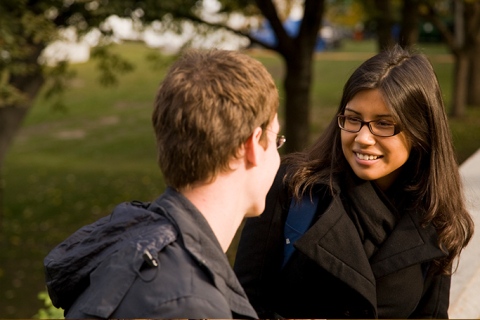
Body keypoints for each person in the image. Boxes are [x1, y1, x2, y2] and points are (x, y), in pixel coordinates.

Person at [234, 45, 474, 319]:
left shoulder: (434, 215)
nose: (362, 137)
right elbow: (243, 305)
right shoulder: (294, 189)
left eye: (384, 124)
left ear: (421, 131)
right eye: (353, 119)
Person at [43, 49, 283, 319]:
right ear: (252, 145)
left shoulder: (134, 243)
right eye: (277, 142)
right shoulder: (187, 305)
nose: (278, 155)